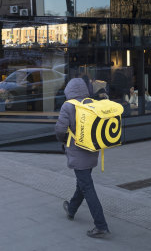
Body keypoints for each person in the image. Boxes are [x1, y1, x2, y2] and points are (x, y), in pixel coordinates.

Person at [55, 77, 111, 239]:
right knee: (83, 182)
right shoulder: (90, 103)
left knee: (87, 186)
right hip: (92, 149)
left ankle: (101, 225)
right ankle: (71, 210)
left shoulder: (68, 106)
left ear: (69, 91)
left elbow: (60, 129)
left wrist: (64, 140)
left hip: (77, 152)